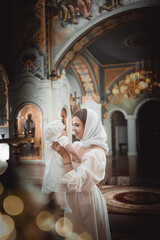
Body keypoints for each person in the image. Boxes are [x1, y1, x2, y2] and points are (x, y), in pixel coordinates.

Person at [52, 109, 111, 240]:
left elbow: (75, 183)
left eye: (77, 125)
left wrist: (66, 157)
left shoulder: (96, 154)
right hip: (73, 199)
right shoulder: (77, 145)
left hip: (86, 201)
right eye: (72, 124)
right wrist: (59, 153)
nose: (73, 128)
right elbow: (65, 172)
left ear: (89, 126)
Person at [41, 120, 81, 214]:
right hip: (61, 165)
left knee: (59, 188)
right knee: (63, 185)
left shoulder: (53, 142)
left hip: (54, 166)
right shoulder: (62, 139)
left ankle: (62, 204)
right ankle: (65, 204)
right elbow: (68, 148)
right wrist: (77, 156)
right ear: (58, 132)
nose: (65, 131)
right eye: (63, 129)